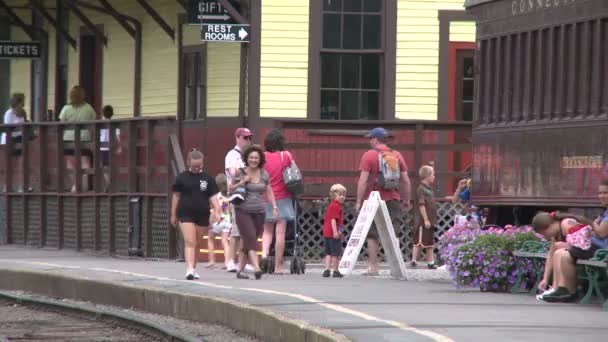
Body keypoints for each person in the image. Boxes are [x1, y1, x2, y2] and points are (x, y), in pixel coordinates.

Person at [356, 127, 411, 276]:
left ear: (375, 139)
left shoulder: (369, 155)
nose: (369, 141)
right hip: (393, 198)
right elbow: (405, 180)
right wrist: (406, 199)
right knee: (394, 232)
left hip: (373, 199)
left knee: (372, 234)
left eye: (370, 138)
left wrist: (359, 200)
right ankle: (397, 268)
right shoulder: (397, 155)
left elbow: (363, 180)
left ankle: (373, 267)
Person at [171, 149, 222, 280]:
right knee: (190, 241)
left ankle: (193, 268)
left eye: (199, 166)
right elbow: (176, 197)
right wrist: (173, 214)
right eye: (194, 166)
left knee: (198, 243)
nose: (196, 168)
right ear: (188, 163)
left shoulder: (207, 178)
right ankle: (188, 269)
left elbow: (213, 197)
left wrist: (217, 210)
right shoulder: (181, 178)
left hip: (202, 214)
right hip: (185, 212)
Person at [229, 144, 278, 280]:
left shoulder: (264, 174)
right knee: (250, 237)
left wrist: (274, 207)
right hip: (243, 211)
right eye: (251, 157)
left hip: (260, 211)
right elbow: (231, 189)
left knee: (249, 240)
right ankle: (257, 267)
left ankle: (241, 270)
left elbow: (269, 190)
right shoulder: (241, 172)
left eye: (256, 158)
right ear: (247, 158)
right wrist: (242, 182)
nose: (253, 160)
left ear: (260, 159)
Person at [261, 129, 297, 274]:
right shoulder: (286, 156)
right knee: (280, 233)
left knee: (267, 231)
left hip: (266, 197)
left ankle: (263, 256)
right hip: (283, 197)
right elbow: (294, 173)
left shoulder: (262, 157)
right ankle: (278, 266)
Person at [225, 127, 254, 273]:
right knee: (236, 231)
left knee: (246, 232)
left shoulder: (249, 155)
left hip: (249, 196)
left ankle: (243, 260)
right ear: (237, 138)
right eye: (245, 137)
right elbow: (233, 172)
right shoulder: (232, 154)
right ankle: (230, 261)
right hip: (237, 196)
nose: (248, 140)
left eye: (249, 138)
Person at [59, 85, 97, 192]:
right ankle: (84, 186)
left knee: (70, 164)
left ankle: (75, 185)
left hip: (68, 138)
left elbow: (61, 123)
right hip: (84, 138)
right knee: (85, 162)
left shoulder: (66, 108)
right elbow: (94, 123)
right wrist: (94, 139)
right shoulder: (88, 108)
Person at [411, 165, 438, 269]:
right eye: (432, 174)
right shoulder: (421, 189)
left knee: (428, 241)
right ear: (427, 176)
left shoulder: (429, 189)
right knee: (420, 241)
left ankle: (427, 261)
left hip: (430, 220)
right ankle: (416, 260)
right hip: (423, 221)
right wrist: (425, 219)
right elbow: (421, 205)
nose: (434, 176)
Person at [1, 93, 26, 192]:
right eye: (22, 101)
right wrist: (18, 127)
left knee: (21, 163)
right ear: (18, 102)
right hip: (9, 139)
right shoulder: (9, 113)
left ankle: (21, 186)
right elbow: (8, 127)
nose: (23, 103)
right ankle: (7, 186)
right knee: (10, 164)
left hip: (20, 138)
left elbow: (24, 123)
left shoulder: (22, 112)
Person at [322, 184, 346, 278]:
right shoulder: (336, 206)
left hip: (327, 233)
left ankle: (327, 270)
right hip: (333, 233)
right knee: (335, 253)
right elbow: (333, 220)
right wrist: (336, 232)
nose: (342, 197)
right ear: (333, 195)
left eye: (344, 195)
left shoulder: (331, 205)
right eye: (340, 195)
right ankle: (336, 270)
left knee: (328, 252)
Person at [209, 173, 232, 269]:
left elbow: (214, 208)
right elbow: (229, 210)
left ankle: (212, 260)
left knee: (210, 238)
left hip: (217, 220)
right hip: (227, 220)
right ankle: (227, 261)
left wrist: (211, 219)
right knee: (225, 241)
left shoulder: (215, 196)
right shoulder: (229, 195)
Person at [100, 105, 121, 191]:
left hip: (102, 147)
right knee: (110, 166)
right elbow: (117, 136)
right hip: (111, 146)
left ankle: (107, 184)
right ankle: (109, 184)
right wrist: (119, 147)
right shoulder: (114, 123)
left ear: (102, 113)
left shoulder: (99, 123)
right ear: (112, 113)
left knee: (104, 167)